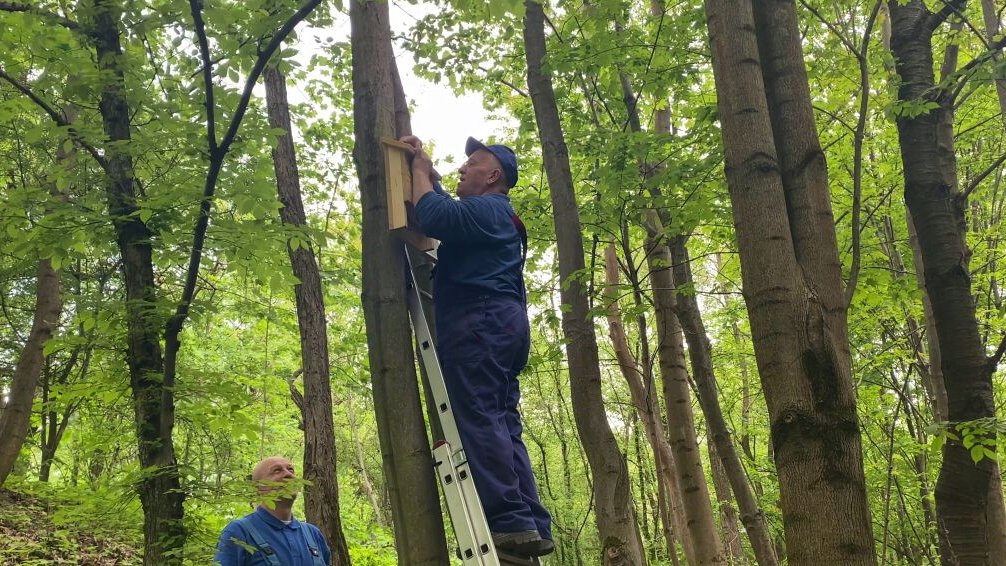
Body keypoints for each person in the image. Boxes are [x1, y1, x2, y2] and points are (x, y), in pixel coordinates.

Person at [400, 134, 553, 557]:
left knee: (482, 416)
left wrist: (417, 170)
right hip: (501, 323)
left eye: (473, 163)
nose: (463, 168)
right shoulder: (492, 214)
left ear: (493, 176)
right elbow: (448, 211)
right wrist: (430, 176)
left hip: (479, 322)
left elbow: (434, 216)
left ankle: (507, 518)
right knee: (503, 420)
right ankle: (530, 521)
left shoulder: (486, 208)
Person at [214, 456, 331, 566]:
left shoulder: (313, 534)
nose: (288, 474)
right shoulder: (239, 532)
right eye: (277, 471)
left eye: (291, 469)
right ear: (258, 488)